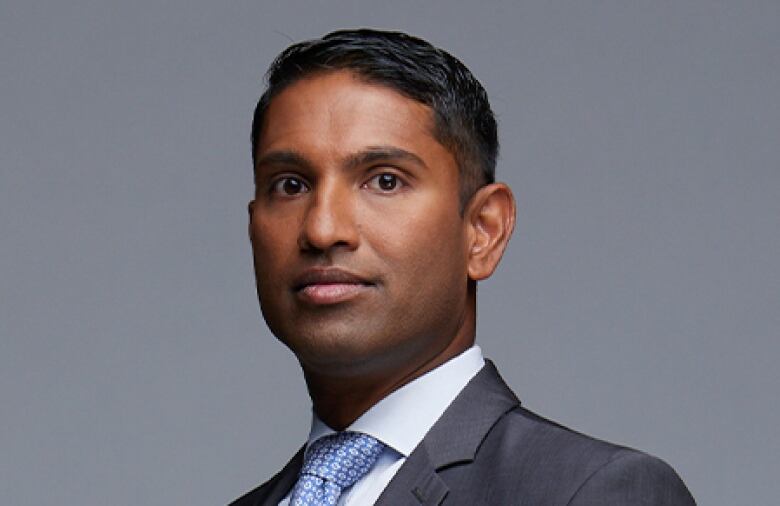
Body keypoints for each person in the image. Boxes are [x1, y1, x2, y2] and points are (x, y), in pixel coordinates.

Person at [231, 29, 695, 506]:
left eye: (385, 180)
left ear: (483, 230)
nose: (323, 229)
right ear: (252, 227)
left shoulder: (596, 492)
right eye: (290, 185)